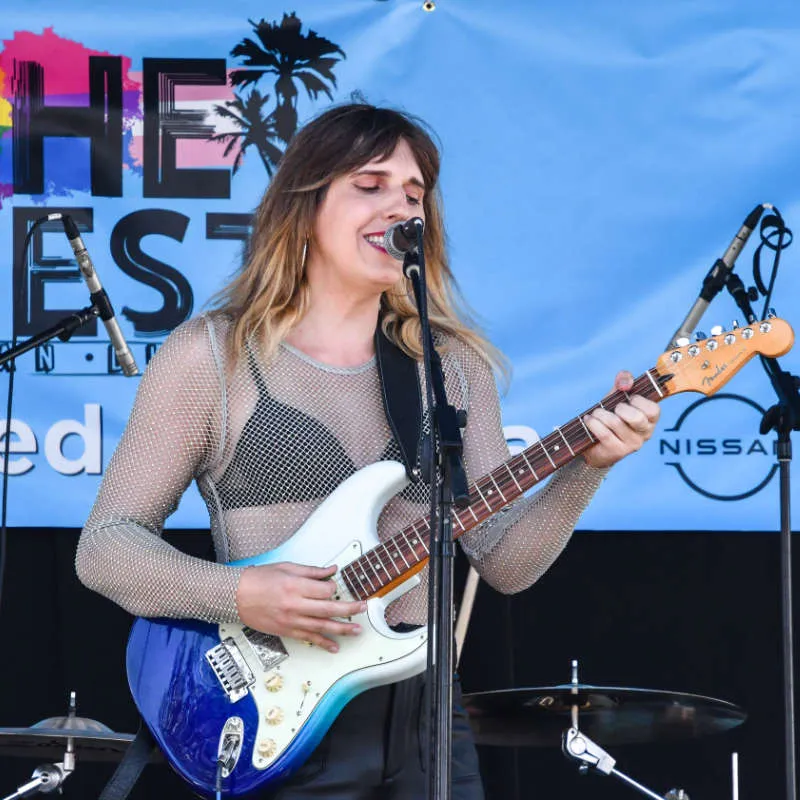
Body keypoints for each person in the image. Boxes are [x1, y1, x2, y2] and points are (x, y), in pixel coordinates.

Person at [76, 103, 660, 799]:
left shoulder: (452, 367)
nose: (400, 207)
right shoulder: (211, 356)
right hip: (278, 712)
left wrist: (588, 468)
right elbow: (106, 547)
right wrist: (242, 593)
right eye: (371, 184)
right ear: (307, 202)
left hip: (428, 718)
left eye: (413, 194)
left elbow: (505, 562)